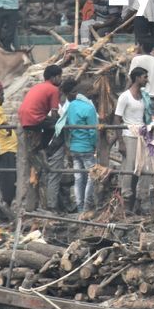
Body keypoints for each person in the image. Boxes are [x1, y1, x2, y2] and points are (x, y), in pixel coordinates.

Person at [21, 65, 65, 209]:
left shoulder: (38, 87)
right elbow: (54, 113)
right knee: (60, 125)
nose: (61, 79)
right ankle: (48, 149)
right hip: (35, 120)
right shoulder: (53, 89)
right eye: (60, 76)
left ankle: (44, 148)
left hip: (25, 119)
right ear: (54, 77)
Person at [114, 66, 154, 211]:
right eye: (144, 77)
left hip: (143, 133)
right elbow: (117, 119)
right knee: (129, 167)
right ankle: (126, 199)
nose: (146, 80)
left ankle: (141, 198)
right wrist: (120, 142)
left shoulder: (144, 96)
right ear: (137, 78)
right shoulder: (125, 97)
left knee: (146, 166)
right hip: (129, 135)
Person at [57, 77, 99, 212]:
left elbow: (67, 127)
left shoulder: (72, 106)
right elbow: (93, 131)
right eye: (91, 91)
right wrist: (94, 146)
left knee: (79, 178)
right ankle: (87, 205)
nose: (93, 93)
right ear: (86, 92)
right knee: (92, 176)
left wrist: (69, 145)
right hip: (86, 147)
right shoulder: (89, 108)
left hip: (74, 147)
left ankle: (80, 207)